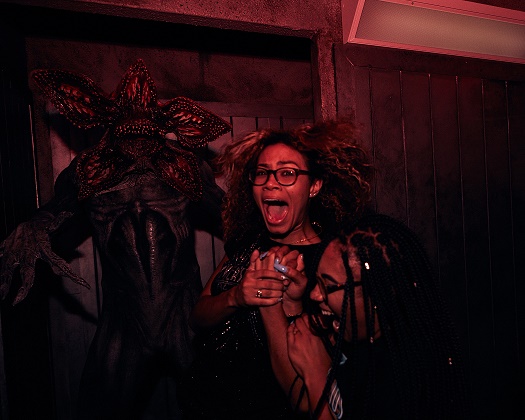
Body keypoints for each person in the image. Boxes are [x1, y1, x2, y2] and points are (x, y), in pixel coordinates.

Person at [178, 121, 373, 419]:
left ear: (314, 186)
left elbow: (316, 379)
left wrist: (284, 305)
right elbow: (197, 318)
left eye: (287, 173)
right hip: (203, 406)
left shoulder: (329, 263)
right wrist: (236, 297)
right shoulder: (247, 243)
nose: (270, 183)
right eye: (262, 173)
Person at [286, 213, 471, 419]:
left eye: (326, 285)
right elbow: (305, 401)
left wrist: (316, 377)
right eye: (317, 280)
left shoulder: (406, 376)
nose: (315, 294)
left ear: (375, 295)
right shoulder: (362, 344)